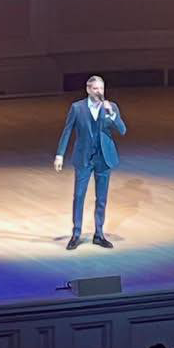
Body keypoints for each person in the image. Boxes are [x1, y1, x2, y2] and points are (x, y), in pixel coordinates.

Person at [54, 75, 128, 250]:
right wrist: (60, 154)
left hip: (104, 158)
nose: (99, 92)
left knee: (101, 199)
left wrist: (112, 113)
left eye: (101, 88)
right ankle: (76, 233)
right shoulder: (77, 108)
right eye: (96, 89)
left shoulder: (111, 107)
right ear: (88, 89)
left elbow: (122, 130)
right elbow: (67, 131)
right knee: (79, 196)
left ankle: (99, 234)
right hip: (84, 158)